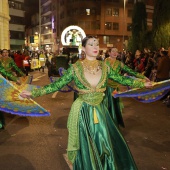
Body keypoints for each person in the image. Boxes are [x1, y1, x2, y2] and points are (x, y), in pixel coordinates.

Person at [20, 36, 152, 169]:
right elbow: (56, 85)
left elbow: (122, 79)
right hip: (83, 113)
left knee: (105, 144)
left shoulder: (105, 67)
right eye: (91, 44)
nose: (95, 47)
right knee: (87, 147)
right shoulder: (75, 68)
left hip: (101, 111)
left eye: (96, 44)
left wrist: (142, 83)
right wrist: (33, 93)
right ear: (83, 48)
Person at [105, 47, 150, 127]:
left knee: (115, 108)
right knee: (107, 107)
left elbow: (130, 71)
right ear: (109, 53)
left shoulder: (119, 63)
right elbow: (111, 75)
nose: (115, 53)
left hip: (115, 88)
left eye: (116, 51)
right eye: (113, 51)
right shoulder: (106, 62)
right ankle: (108, 125)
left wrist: (143, 77)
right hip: (107, 89)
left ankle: (114, 124)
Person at [0, 50, 22, 130]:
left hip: (5, 79)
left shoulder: (10, 60)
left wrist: (17, 77)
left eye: (6, 52)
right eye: (3, 53)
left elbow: (6, 71)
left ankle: (2, 122)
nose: (5, 54)